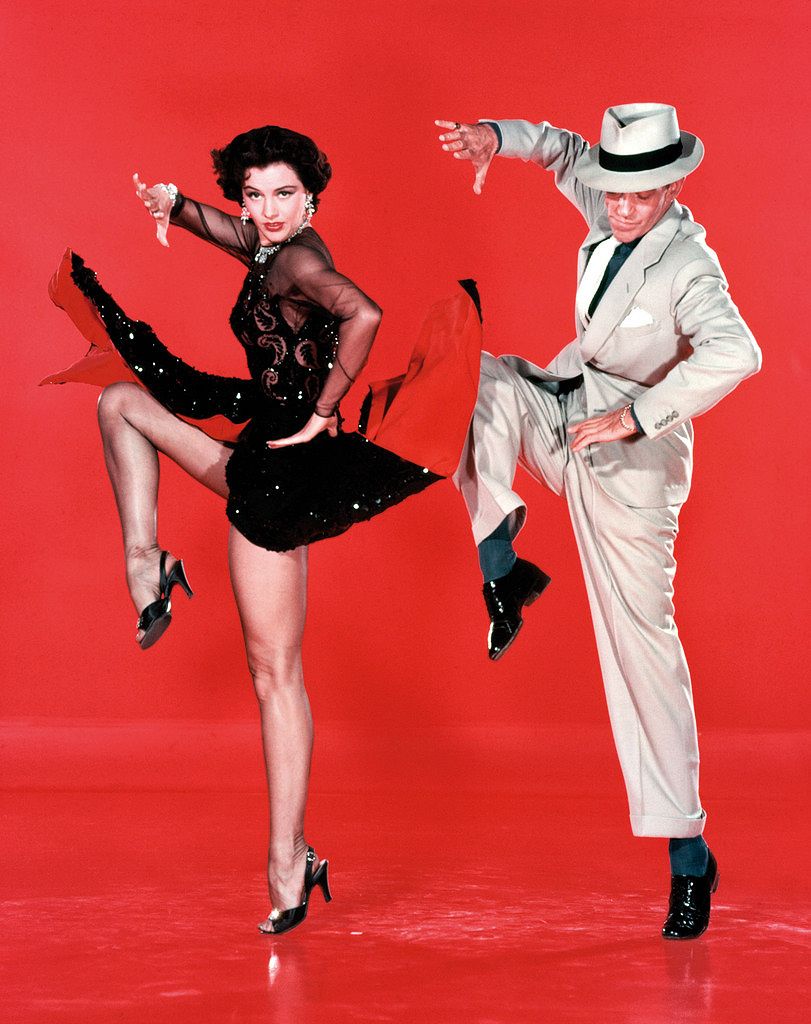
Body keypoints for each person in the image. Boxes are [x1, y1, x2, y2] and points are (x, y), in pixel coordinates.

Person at [45, 125, 481, 935]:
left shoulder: (299, 261)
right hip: (262, 444)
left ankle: (289, 859)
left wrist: (323, 413)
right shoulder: (274, 243)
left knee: (274, 674)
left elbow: (365, 313)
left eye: (284, 194)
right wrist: (175, 206)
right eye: (255, 195)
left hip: (283, 473)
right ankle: (146, 562)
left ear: (311, 196)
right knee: (121, 402)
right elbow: (238, 237)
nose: (268, 210)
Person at [436, 104, 761, 939]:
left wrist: (638, 416)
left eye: (637, 196)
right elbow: (563, 149)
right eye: (612, 193)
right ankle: (504, 570)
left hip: (632, 468)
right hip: (566, 418)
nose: (618, 207)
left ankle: (688, 855)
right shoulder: (610, 200)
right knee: (475, 379)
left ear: (671, 189)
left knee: (640, 651)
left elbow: (737, 351)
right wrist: (496, 138)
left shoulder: (688, 264)